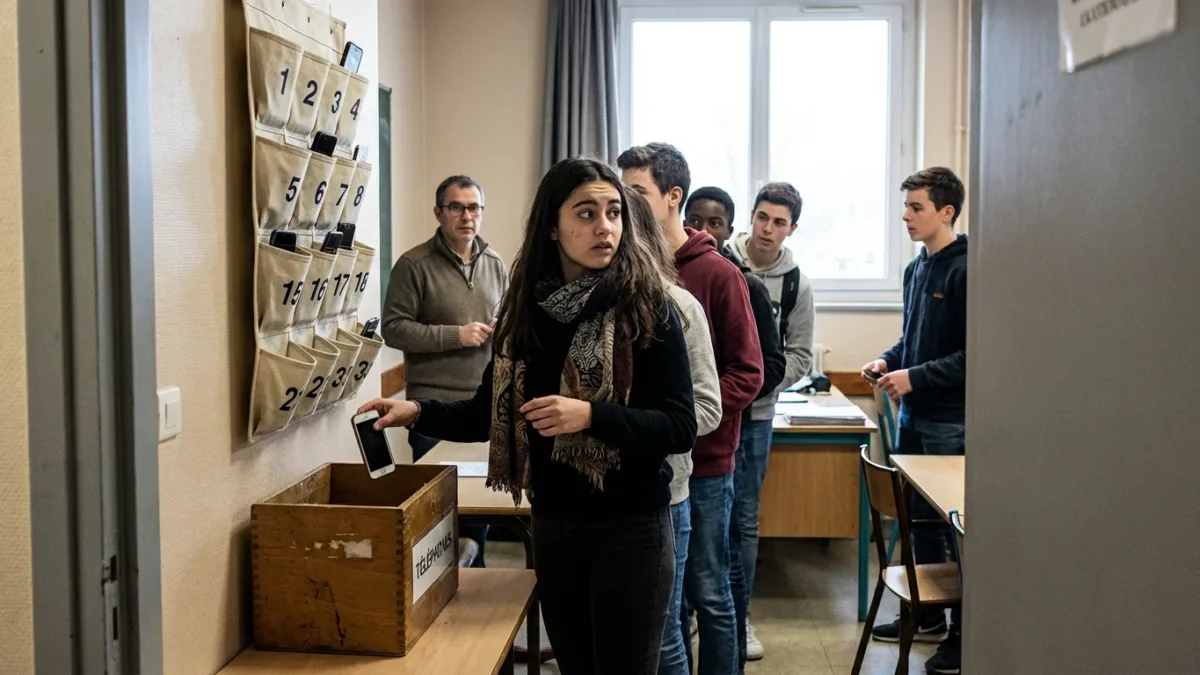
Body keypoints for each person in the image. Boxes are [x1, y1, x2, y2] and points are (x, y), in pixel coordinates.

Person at [361, 158, 698, 675]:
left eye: (613, 212)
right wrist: (416, 410)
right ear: (552, 227)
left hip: (631, 530)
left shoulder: (647, 308)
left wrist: (592, 415)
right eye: (586, 213)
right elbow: (486, 414)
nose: (604, 227)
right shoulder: (526, 313)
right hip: (555, 525)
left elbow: (679, 426)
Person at [618, 143, 763, 675]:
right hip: (655, 465)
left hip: (706, 464)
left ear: (673, 196)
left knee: (711, 592)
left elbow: (748, 372)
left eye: (637, 192)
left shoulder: (720, 275)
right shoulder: (630, 268)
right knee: (668, 602)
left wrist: (682, 416)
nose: (624, 204)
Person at [685, 185, 797, 668]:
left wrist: (715, 403)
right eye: (696, 220)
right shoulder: (670, 276)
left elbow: (767, 366)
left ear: (729, 229)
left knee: (732, 541)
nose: (704, 230)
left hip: (736, 429)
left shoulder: (739, 282)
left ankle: (738, 623)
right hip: (683, 443)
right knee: (691, 570)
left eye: (715, 223)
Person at [863, 167, 967, 675]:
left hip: (952, 422)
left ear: (946, 212)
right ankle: (928, 616)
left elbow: (973, 356)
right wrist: (888, 361)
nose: (905, 215)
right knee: (917, 521)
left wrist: (914, 377)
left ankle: (964, 634)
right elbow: (913, 340)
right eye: (905, 206)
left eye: (916, 207)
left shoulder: (967, 270)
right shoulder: (915, 269)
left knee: (955, 531)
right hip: (914, 416)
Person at [381, 175, 506, 567]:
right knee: (441, 522)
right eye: (457, 207)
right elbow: (393, 329)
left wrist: (504, 328)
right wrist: (457, 335)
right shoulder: (413, 264)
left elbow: (506, 317)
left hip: (483, 410)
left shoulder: (495, 262)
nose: (467, 216)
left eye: (474, 208)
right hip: (432, 412)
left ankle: (477, 589)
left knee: (479, 515)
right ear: (439, 213)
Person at [626, 189, 724, 675]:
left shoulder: (678, 306)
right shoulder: (581, 305)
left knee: (662, 637)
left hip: (664, 496)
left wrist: (625, 425)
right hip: (598, 504)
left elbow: (706, 409)